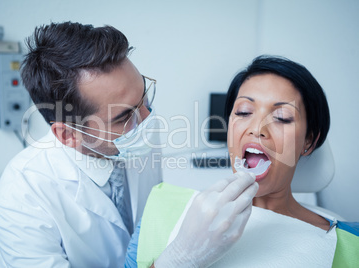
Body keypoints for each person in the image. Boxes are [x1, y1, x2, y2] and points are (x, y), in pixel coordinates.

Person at [0, 22, 258, 267]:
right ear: (68, 135)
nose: (147, 119)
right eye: (124, 115)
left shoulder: (139, 132)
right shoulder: (21, 198)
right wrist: (180, 259)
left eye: (144, 97)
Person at [126, 55, 359, 267]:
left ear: (309, 141)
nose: (257, 129)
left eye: (282, 117)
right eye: (244, 112)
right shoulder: (162, 210)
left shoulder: (350, 245)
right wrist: (179, 258)